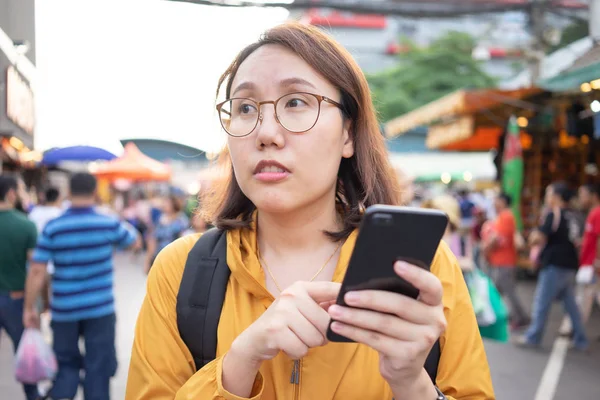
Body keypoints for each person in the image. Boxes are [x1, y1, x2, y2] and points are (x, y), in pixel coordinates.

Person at [126, 22, 494, 400]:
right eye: (246, 108)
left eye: (296, 102)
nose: (266, 132)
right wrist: (237, 365)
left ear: (348, 134)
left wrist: (411, 383)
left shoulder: (423, 269)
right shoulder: (180, 271)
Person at [23, 173, 139, 400]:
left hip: (64, 310)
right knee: (99, 368)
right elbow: (135, 242)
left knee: (65, 366)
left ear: (69, 192)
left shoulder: (54, 226)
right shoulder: (107, 222)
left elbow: (37, 270)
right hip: (100, 309)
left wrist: (29, 309)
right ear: (95, 192)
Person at [516, 182, 589, 350]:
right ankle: (581, 340)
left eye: (548, 194)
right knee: (571, 305)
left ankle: (533, 336)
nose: (547, 198)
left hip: (554, 264)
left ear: (556, 197)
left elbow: (538, 238)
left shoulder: (553, 214)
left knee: (542, 302)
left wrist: (532, 236)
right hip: (570, 265)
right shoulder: (575, 215)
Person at [0, 175, 39, 400]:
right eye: (23, 189)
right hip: (15, 301)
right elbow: (35, 269)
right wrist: (31, 306)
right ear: (11, 193)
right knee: (25, 355)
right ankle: (32, 396)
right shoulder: (26, 225)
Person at [481, 192, 529, 330]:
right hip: (501, 261)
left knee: (507, 291)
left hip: (505, 261)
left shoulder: (505, 216)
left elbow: (496, 239)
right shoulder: (504, 216)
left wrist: (486, 249)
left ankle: (520, 317)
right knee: (499, 290)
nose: (494, 203)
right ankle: (497, 315)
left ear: (502, 201)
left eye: (496, 200)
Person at [559, 183, 600, 336]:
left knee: (582, 298)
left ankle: (573, 329)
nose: (581, 198)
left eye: (583, 195)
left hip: (592, 265)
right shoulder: (592, 213)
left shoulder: (597, 213)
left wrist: (597, 262)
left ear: (593, 196)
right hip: (590, 263)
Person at [145, 195, 189, 274]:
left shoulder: (181, 220)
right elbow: (153, 239)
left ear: (174, 204)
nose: (164, 205)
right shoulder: (160, 219)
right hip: (159, 257)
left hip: (174, 259)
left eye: (167, 203)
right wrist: (148, 260)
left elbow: (184, 240)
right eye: (164, 203)